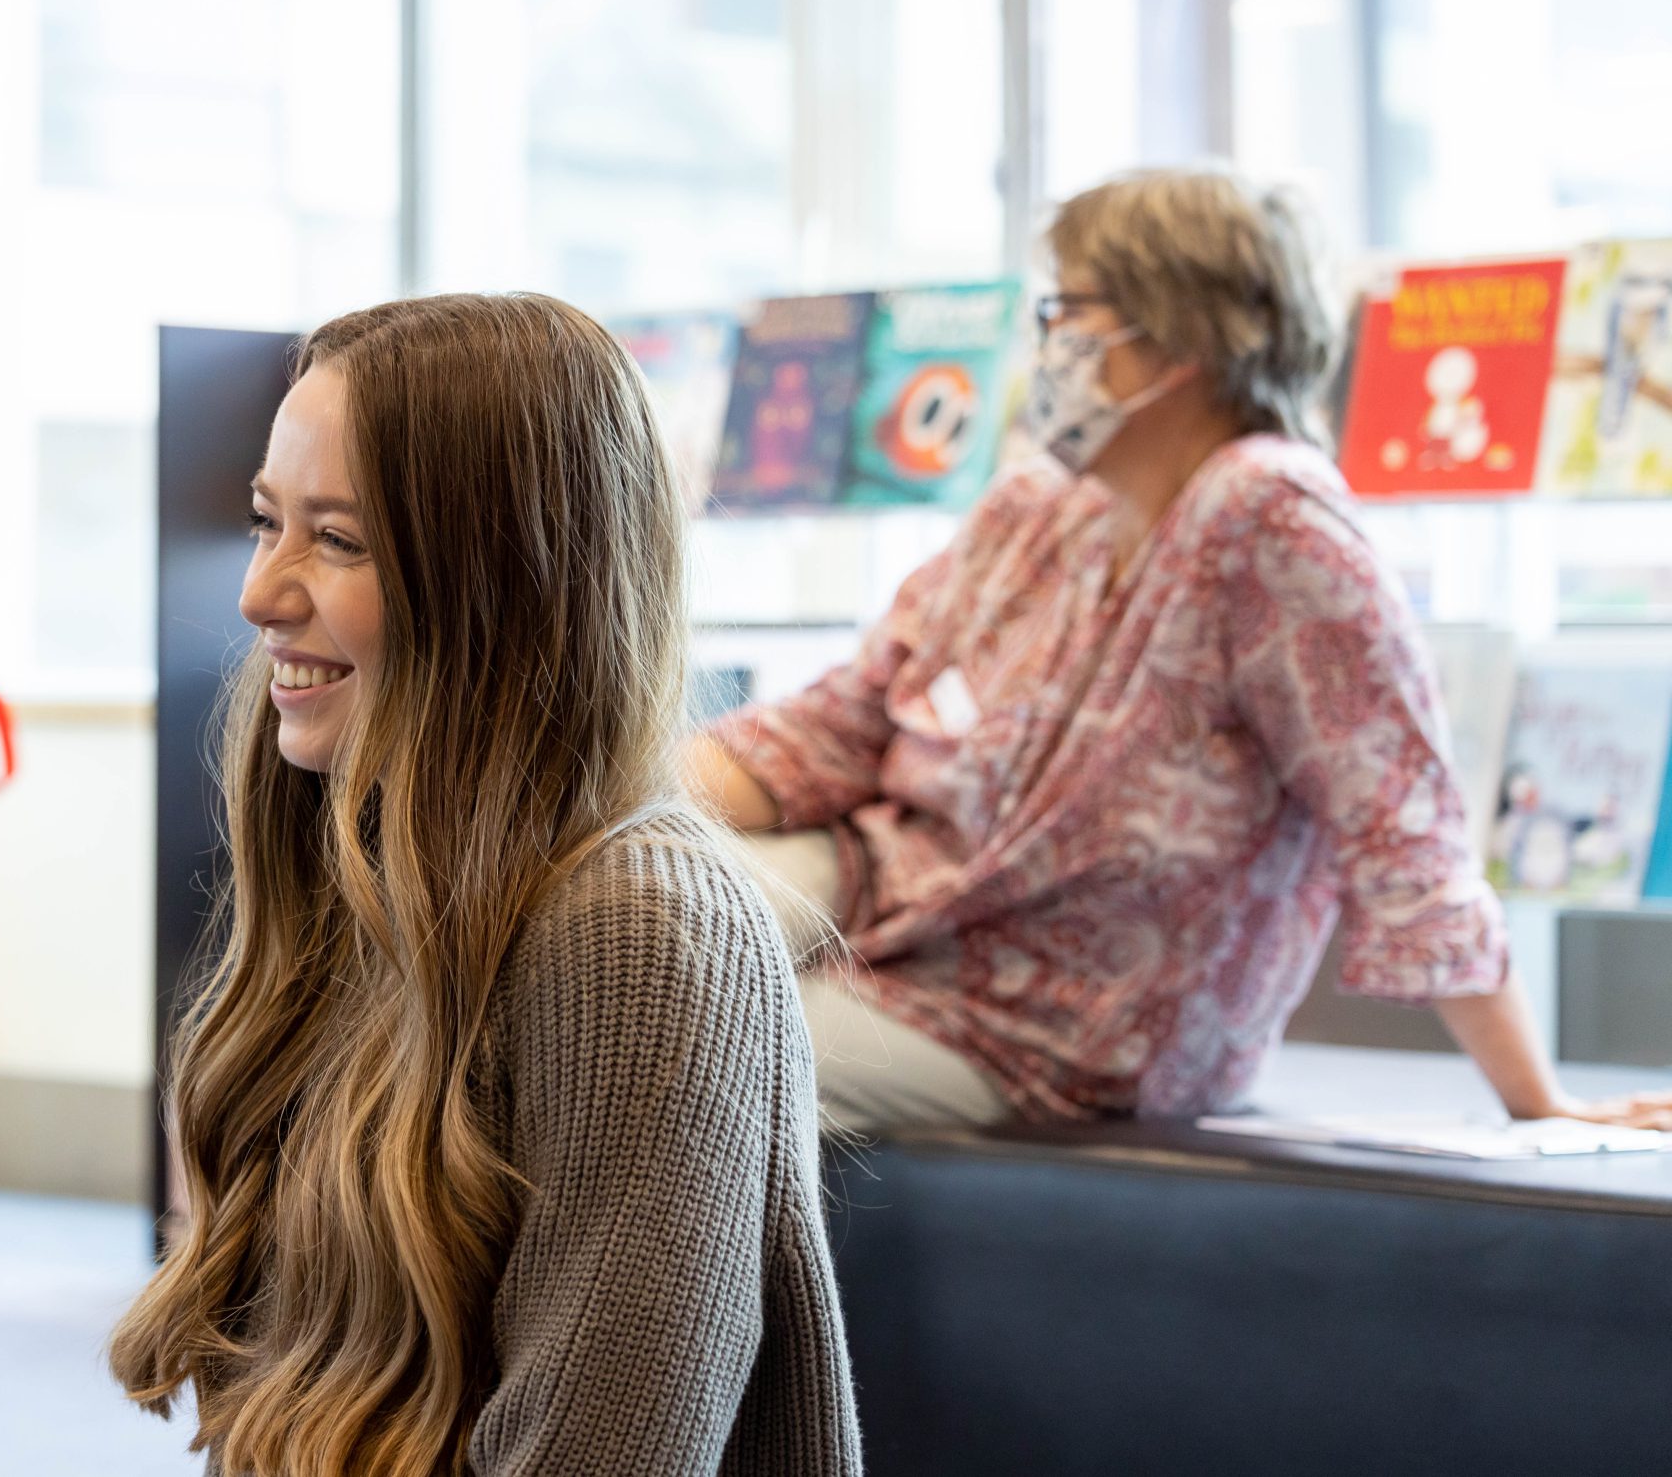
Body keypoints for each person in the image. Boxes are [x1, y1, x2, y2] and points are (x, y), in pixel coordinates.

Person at [690, 168, 1672, 1135]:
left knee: (679, 1037)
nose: (1049, 346)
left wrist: (1538, 1102)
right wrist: (598, 788)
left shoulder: (1270, 516)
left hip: (1064, 1019)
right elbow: (844, 719)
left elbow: (1401, 821)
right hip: (886, 890)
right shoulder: (1036, 505)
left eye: (1070, 311)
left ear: (1180, 338)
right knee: (617, 926)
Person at [112, 294, 859, 1476]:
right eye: (268, 523)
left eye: (339, 540)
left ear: (505, 579)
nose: (260, 593)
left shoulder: (643, 930)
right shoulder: (363, 847)